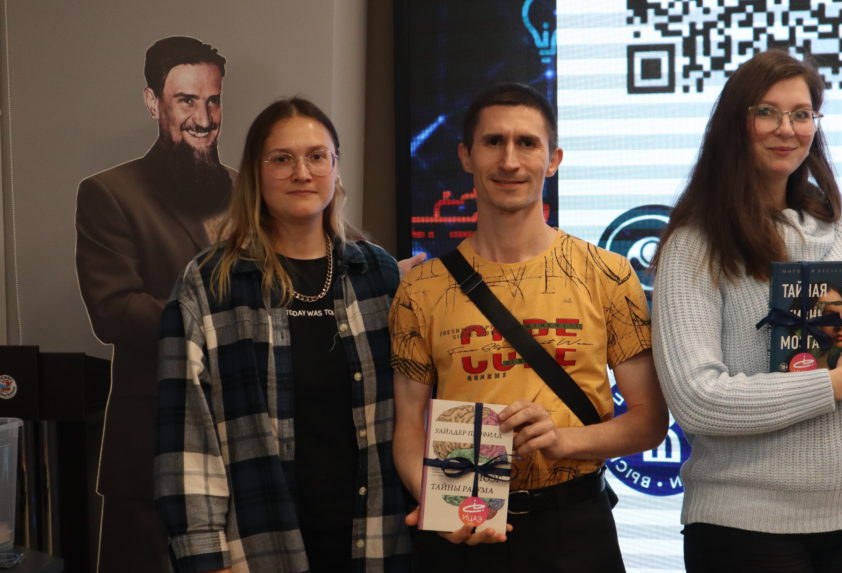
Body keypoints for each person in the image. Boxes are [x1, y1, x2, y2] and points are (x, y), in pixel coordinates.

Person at [389, 83, 668, 573]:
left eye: (527, 143)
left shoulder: (606, 274)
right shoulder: (422, 288)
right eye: (493, 142)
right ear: (466, 156)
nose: (509, 161)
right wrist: (439, 505)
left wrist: (564, 440)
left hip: (576, 527)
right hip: (462, 526)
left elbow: (649, 422)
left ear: (553, 159)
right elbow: (409, 427)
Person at [651, 49, 842, 572]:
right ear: (735, 123)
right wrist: (834, 383)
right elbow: (698, 400)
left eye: (802, 114)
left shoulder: (839, 229)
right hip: (745, 525)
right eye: (766, 112)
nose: (786, 129)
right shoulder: (694, 244)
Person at [154, 97, 411, 573]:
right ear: (256, 172)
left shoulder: (379, 275)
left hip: (378, 542)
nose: (302, 173)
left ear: (336, 167)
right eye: (281, 159)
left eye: (317, 157)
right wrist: (205, 557)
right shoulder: (210, 283)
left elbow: (422, 408)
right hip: (258, 548)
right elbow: (186, 433)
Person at [74, 35, 232, 572]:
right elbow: (114, 310)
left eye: (213, 101)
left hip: (238, 446)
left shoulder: (249, 193)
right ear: (152, 102)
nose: (203, 118)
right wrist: (226, 322)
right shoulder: (109, 193)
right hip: (149, 451)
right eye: (187, 100)